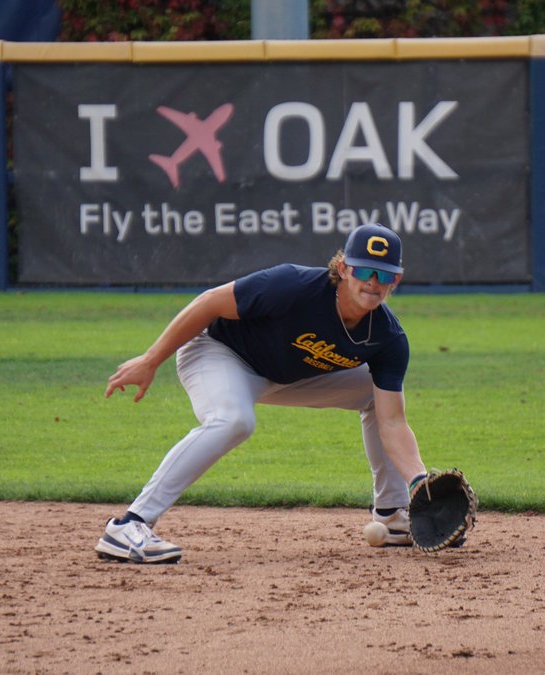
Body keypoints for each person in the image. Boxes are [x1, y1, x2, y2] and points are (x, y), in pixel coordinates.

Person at [96, 224, 429, 563]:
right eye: (364, 270)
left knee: (376, 395)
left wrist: (420, 481)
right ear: (343, 269)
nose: (373, 282)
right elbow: (209, 302)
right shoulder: (293, 285)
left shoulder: (388, 338)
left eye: (384, 274)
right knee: (234, 420)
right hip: (220, 353)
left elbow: (392, 422)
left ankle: (393, 515)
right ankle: (130, 525)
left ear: (396, 281)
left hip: (289, 374)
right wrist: (151, 360)